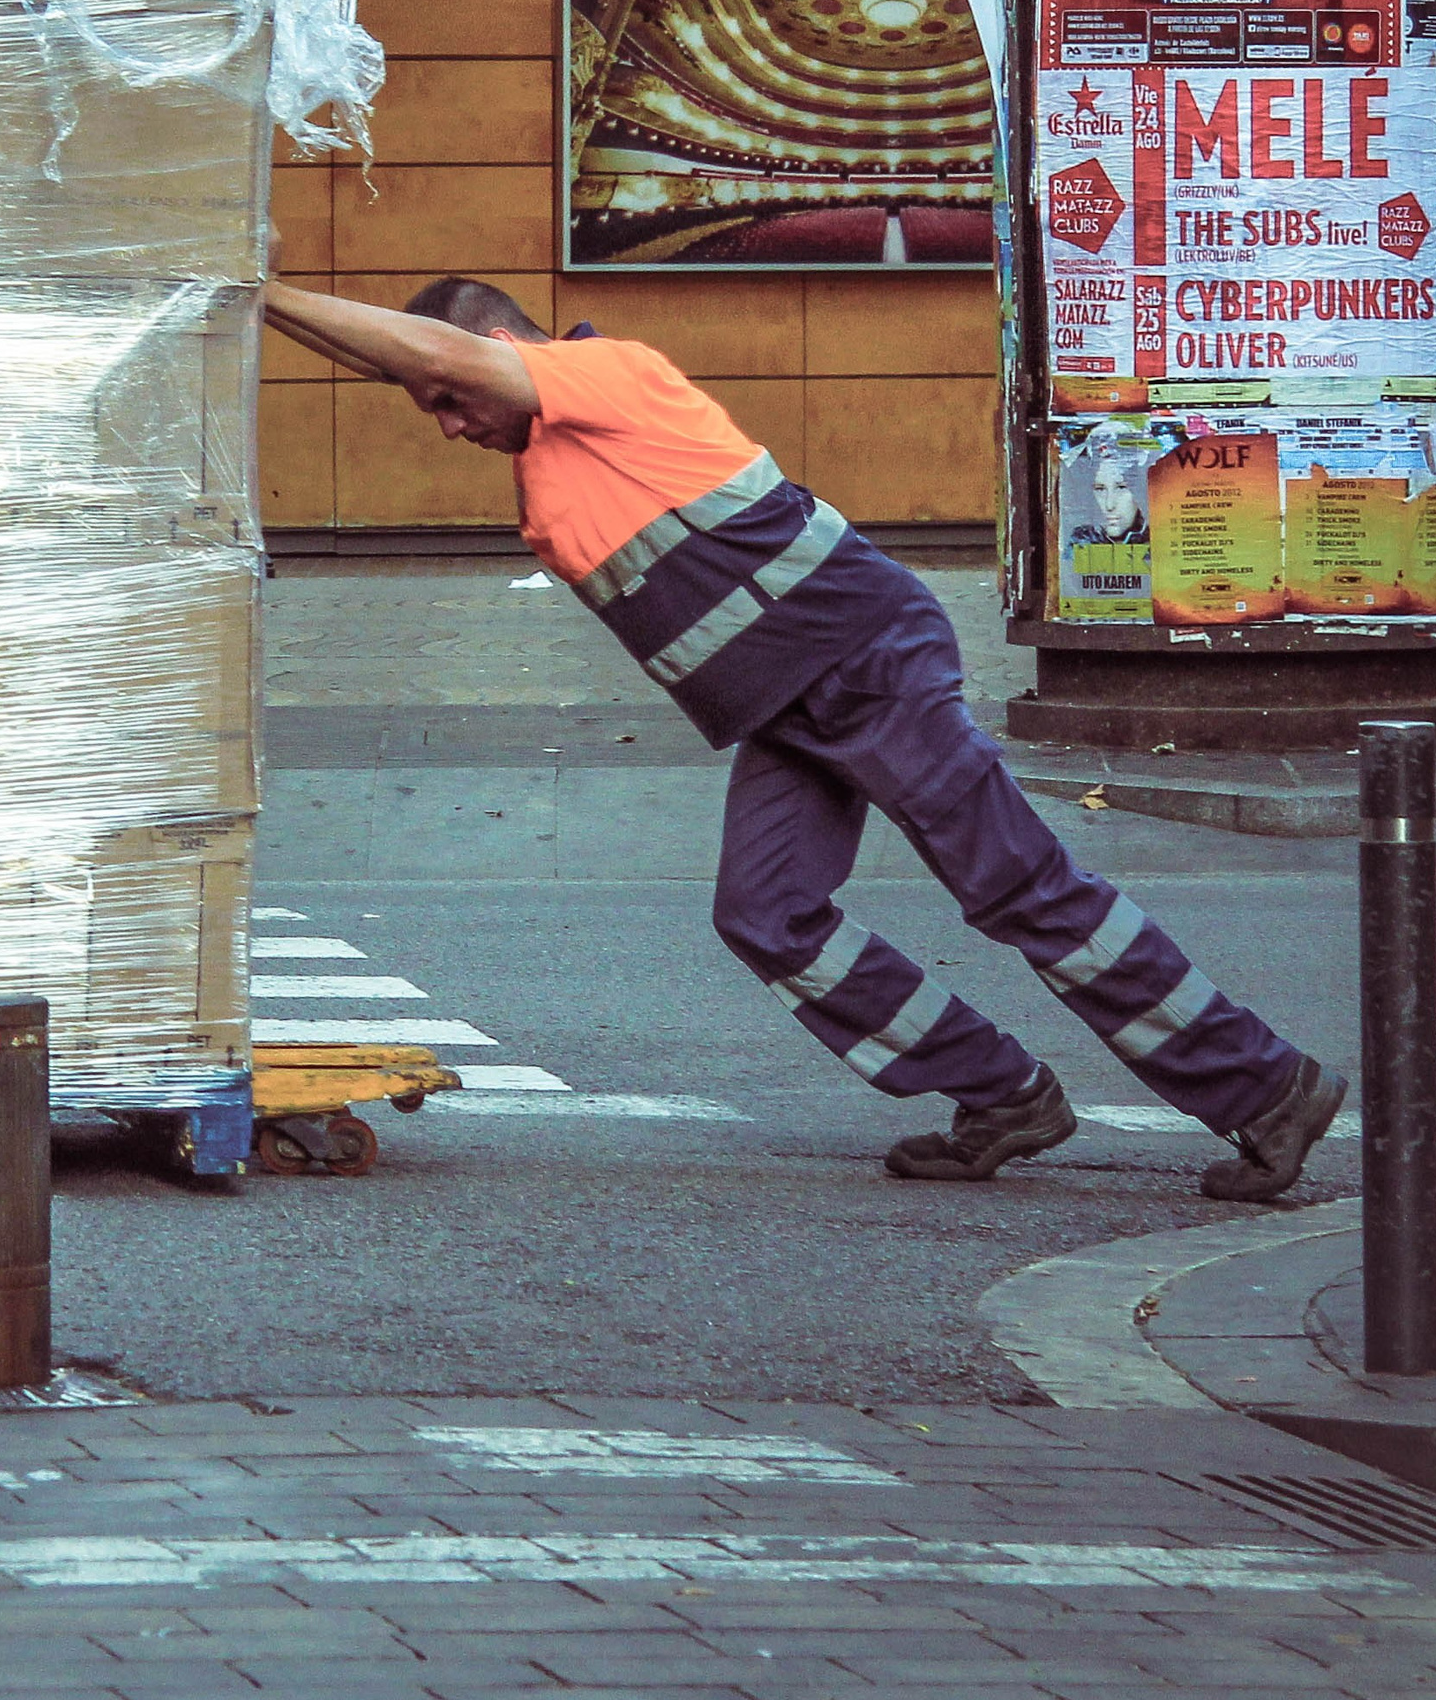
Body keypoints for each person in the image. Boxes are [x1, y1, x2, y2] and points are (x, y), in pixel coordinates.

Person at [263, 273, 1348, 1201]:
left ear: (495, 349)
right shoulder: (553, 441)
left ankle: (1265, 1087)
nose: (448, 425)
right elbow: (417, 363)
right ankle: (1000, 1093)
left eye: (445, 396)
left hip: (862, 659)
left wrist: (263, 289)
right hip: (795, 698)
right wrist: (241, 297)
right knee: (766, 916)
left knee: (1020, 888)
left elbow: (441, 357)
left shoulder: (605, 375)